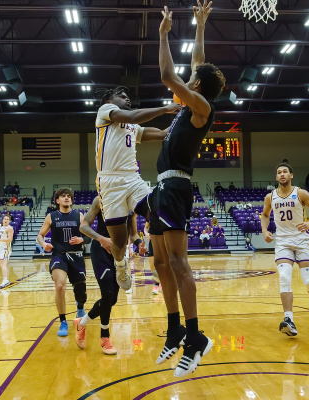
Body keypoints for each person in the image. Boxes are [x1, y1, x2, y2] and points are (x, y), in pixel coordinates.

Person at [149, 1, 225, 378]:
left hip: (176, 186)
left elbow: (167, 74)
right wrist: (198, 25)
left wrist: (163, 33)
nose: (190, 75)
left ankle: (196, 337)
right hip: (159, 188)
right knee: (159, 262)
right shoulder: (191, 100)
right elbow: (199, 59)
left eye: (194, 77)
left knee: (179, 263)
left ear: (197, 86)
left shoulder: (201, 107)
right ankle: (175, 326)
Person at [94, 86, 179, 292]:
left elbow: (162, 133)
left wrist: (182, 118)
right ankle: (120, 264)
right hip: (109, 182)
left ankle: (159, 263)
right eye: (122, 96)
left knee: (157, 213)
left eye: (128, 96)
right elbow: (132, 116)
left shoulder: (132, 126)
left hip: (133, 178)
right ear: (110, 99)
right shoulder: (105, 111)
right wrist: (165, 109)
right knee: (120, 242)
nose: (127, 99)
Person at [261, 163, 309, 337]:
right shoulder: (270, 197)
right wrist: (265, 230)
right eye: (279, 172)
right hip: (283, 242)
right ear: (276, 177)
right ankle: (288, 319)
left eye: (285, 172)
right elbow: (265, 215)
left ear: (291, 175)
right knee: (284, 277)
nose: (282, 174)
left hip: (302, 241)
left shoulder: (301, 193)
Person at [74, 196, 124, 355]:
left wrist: (138, 244)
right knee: (108, 294)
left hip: (119, 252)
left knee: (112, 299)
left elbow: (134, 231)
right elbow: (83, 226)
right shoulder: (100, 200)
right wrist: (100, 238)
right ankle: (105, 338)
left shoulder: (130, 198)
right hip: (100, 249)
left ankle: (81, 323)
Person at [36, 188, 87, 337]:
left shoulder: (80, 216)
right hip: (59, 255)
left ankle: (80, 307)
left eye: (68, 196)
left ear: (72, 200)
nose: (66, 198)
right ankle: (63, 321)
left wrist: (81, 239)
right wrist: (43, 244)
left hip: (76, 255)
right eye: (63, 196)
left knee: (81, 293)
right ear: (57, 200)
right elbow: (40, 235)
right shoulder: (51, 217)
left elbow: (89, 236)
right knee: (59, 286)